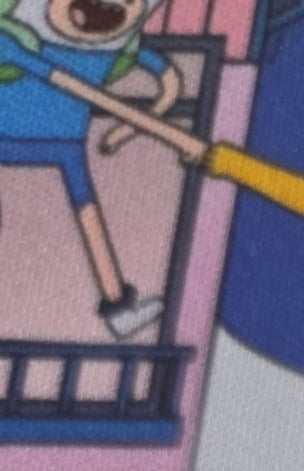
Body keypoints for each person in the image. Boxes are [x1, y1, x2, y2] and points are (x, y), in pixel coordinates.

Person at [0, 0, 181, 338]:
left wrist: (125, 130)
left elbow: (169, 83)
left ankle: (118, 306)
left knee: (87, 211)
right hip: (6, 130)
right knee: (86, 210)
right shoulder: (19, 35)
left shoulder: (117, 49)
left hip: (66, 140)